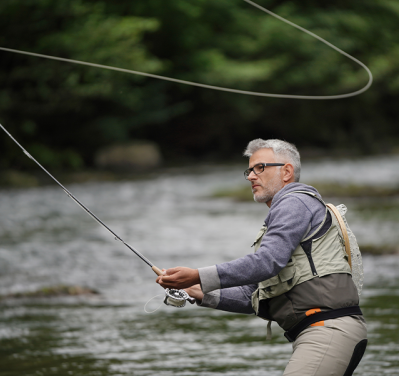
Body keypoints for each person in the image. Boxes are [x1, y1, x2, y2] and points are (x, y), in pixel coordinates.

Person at [156, 138, 367, 376]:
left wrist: (198, 275)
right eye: (249, 170)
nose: (250, 176)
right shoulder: (288, 211)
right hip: (321, 332)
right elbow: (254, 296)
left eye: (260, 168)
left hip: (328, 330)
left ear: (287, 171)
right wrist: (200, 291)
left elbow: (267, 262)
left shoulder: (294, 201)